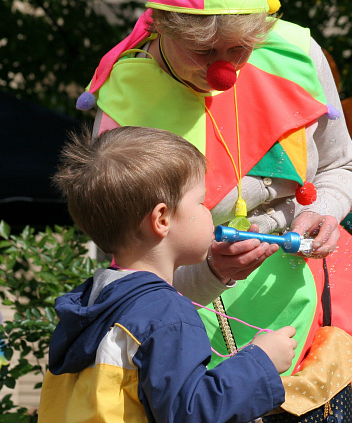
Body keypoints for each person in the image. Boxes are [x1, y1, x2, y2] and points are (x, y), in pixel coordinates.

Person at [76, 0, 352, 421]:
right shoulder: (123, 104)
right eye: (204, 52)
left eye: (239, 50)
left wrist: (327, 212)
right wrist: (209, 273)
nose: (225, 69)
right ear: (161, 26)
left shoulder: (297, 56)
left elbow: (342, 165)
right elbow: (127, 262)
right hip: (185, 342)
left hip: (308, 320)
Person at [38, 126, 298, 423]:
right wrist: (261, 362)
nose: (209, 211)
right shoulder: (165, 314)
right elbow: (190, 413)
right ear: (161, 219)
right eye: (200, 202)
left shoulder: (91, 303)